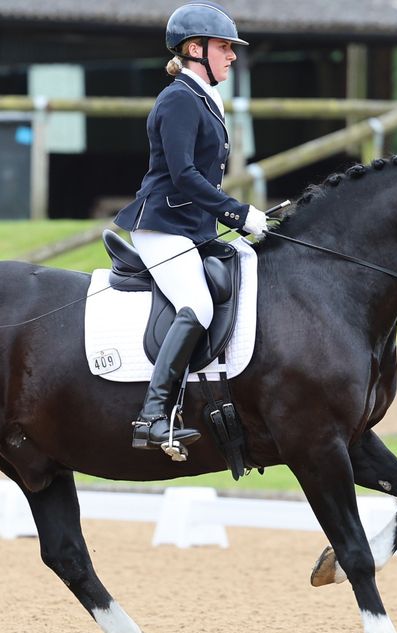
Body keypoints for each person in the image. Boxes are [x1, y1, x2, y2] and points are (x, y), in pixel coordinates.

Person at [113, 2, 267, 452]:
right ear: (195, 48)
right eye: (224, 47)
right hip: (162, 226)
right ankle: (152, 416)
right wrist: (236, 213)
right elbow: (183, 175)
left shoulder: (204, 97)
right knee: (197, 305)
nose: (232, 56)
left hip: (190, 227)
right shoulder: (179, 98)